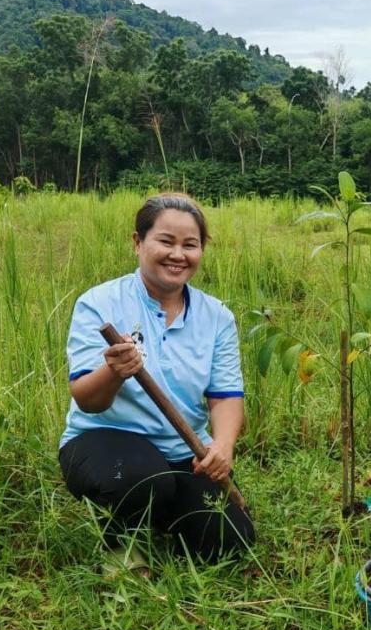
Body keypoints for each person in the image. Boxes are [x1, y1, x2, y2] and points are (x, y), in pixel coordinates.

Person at [59, 193, 254, 572]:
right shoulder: (98, 303)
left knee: (230, 541)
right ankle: (119, 542)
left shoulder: (217, 317)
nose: (177, 255)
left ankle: (161, 515)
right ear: (138, 242)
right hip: (103, 440)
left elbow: (225, 395)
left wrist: (223, 447)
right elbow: (88, 400)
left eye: (190, 245)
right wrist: (113, 372)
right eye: (165, 241)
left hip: (183, 450)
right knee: (143, 480)